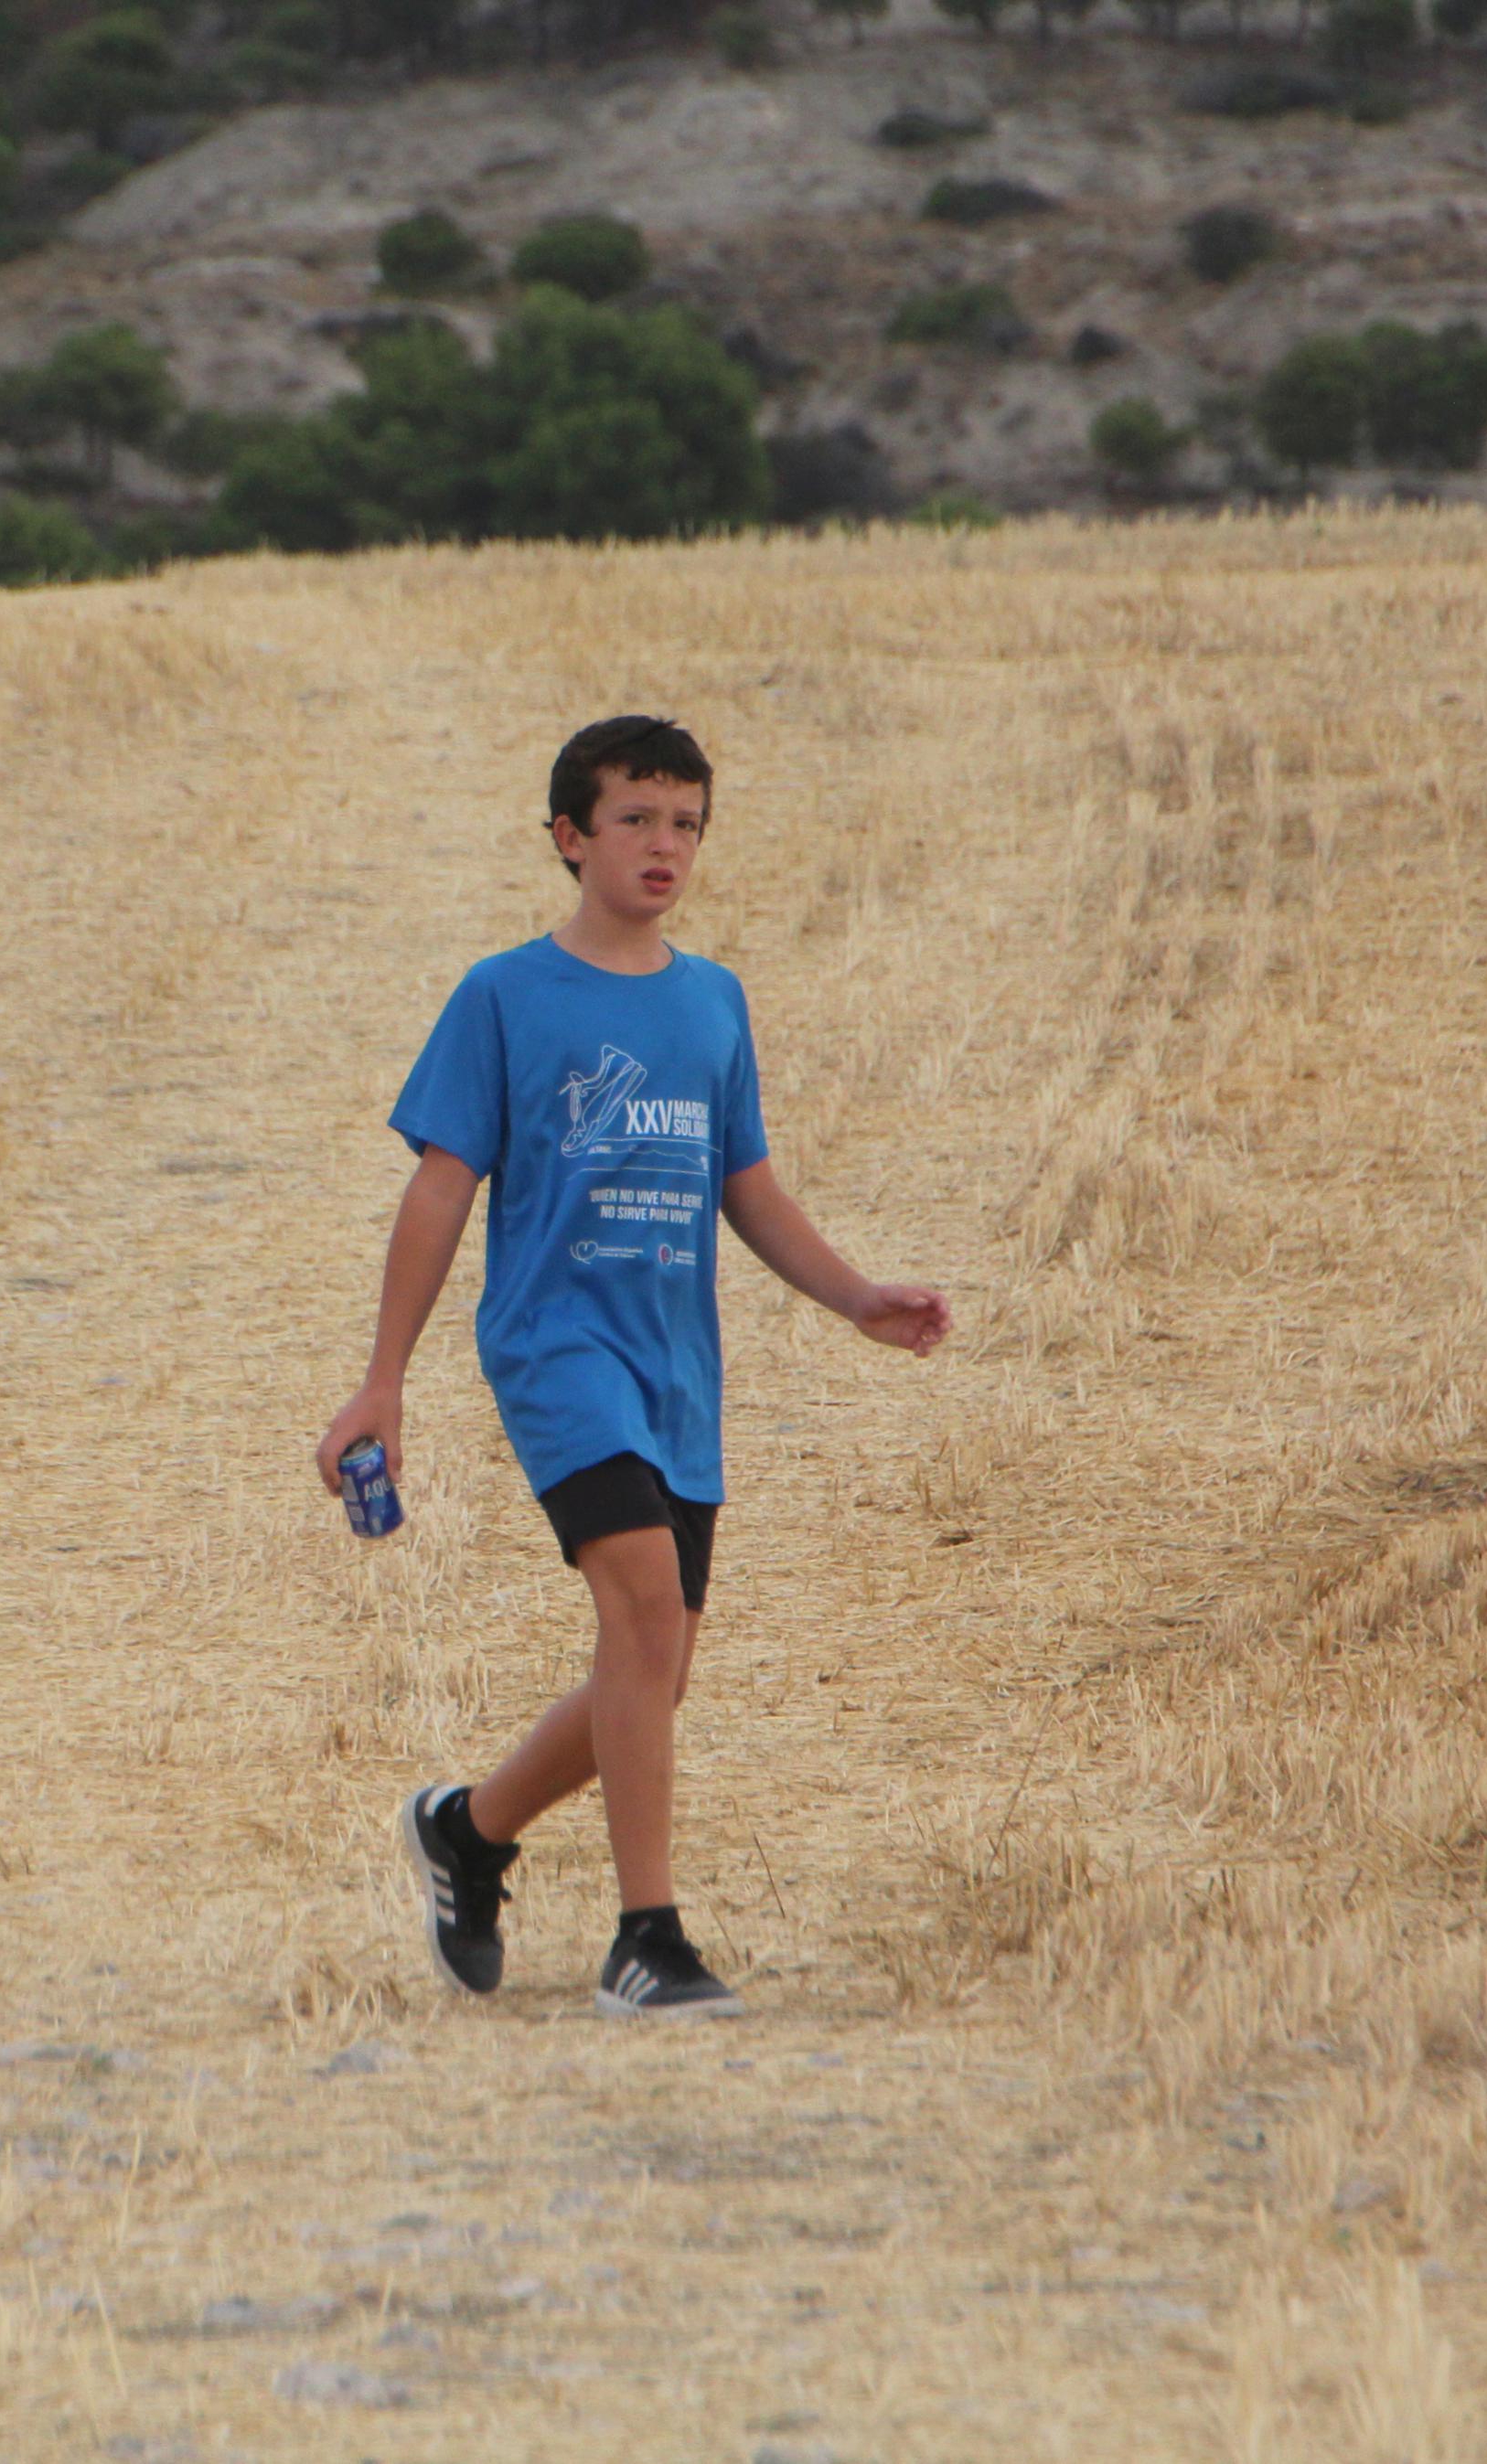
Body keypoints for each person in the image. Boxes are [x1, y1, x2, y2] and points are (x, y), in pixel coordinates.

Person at [317, 716, 948, 2019]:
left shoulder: (712, 1001)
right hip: (557, 1352)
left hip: (678, 1370)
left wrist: (852, 1296)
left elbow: (747, 1185)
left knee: (653, 1666)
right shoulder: (503, 996)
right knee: (646, 1615)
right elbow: (441, 1192)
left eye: (688, 824)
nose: (666, 846)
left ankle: (469, 1832)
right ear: (570, 838)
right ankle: (646, 1940)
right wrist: (382, 1379)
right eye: (636, 820)